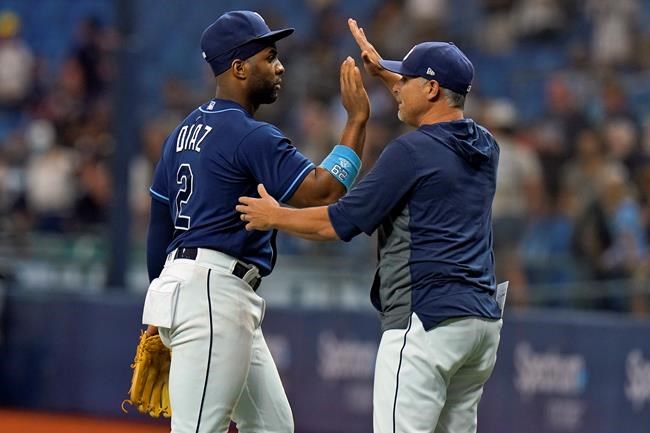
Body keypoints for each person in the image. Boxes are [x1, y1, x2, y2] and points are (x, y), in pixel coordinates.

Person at [236, 18, 503, 433]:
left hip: (425, 320)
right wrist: (387, 74)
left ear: (431, 89)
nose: (397, 87)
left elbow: (337, 223)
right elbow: (439, 123)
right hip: (480, 324)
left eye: (407, 79)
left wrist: (275, 216)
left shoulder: (410, 152)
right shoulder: (486, 145)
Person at [142, 11, 369, 433]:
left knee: (272, 426)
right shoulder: (248, 134)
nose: (280, 66)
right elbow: (323, 191)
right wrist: (355, 122)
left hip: (196, 289)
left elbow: (160, 227)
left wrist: (162, 305)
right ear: (239, 67)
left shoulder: (181, 132)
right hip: (213, 294)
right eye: (270, 56)